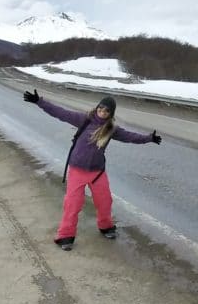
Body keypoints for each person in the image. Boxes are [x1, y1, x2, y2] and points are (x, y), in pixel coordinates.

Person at [23, 88, 162, 250]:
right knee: (73, 204)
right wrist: (39, 101)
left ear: (111, 113)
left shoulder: (112, 129)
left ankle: (106, 226)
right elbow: (60, 113)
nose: (102, 112)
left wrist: (149, 138)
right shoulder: (84, 119)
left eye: (106, 110)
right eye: (100, 108)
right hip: (77, 170)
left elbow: (130, 137)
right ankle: (65, 236)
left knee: (105, 201)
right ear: (97, 107)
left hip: (97, 173)